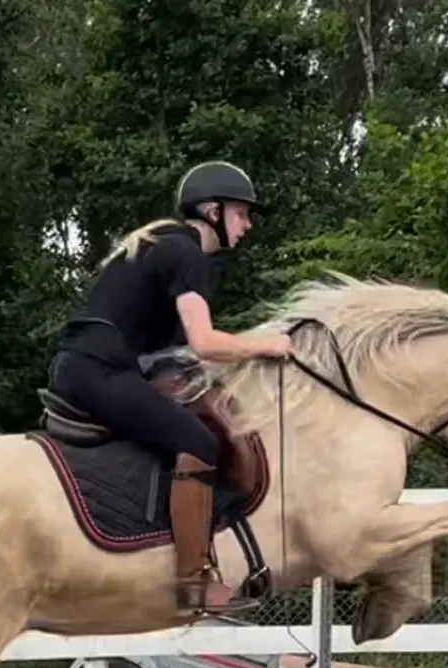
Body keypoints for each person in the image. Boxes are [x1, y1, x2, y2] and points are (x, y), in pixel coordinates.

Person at [46, 160, 293, 614]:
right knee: (198, 441)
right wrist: (268, 346)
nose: (248, 224)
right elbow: (204, 341)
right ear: (213, 211)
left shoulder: (162, 245)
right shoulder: (186, 255)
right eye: (242, 212)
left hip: (86, 366)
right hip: (101, 371)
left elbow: (174, 352)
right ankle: (193, 582)